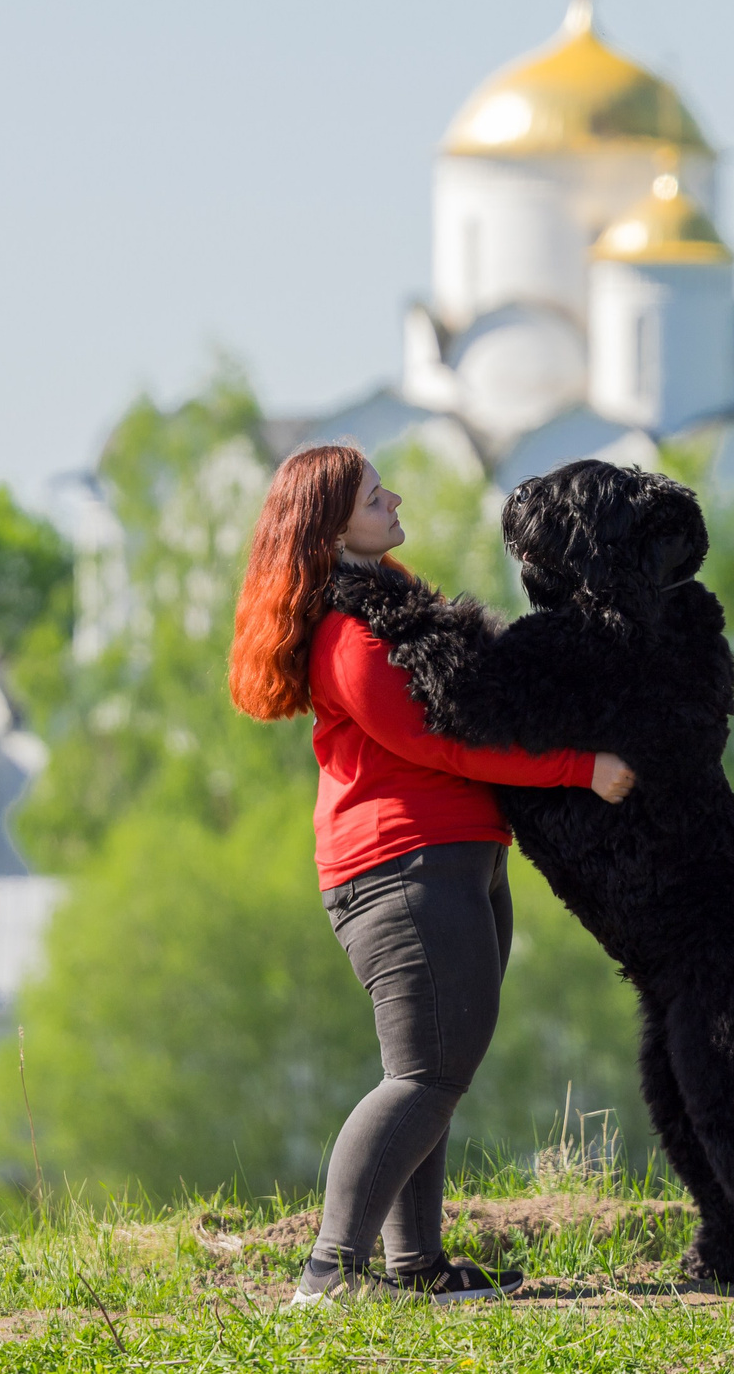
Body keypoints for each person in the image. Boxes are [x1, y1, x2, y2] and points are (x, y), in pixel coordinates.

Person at [230, 445, 635, 1304]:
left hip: (452, 860)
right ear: (332, 525)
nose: (395, 499)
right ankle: (329, 1276)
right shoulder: (350, 638)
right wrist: (578, 768)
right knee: (423, 1076)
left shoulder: (391, 610)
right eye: (376, 497)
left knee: (435, 1070)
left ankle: (415, 1270)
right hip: (401, 870)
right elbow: (444, 740)